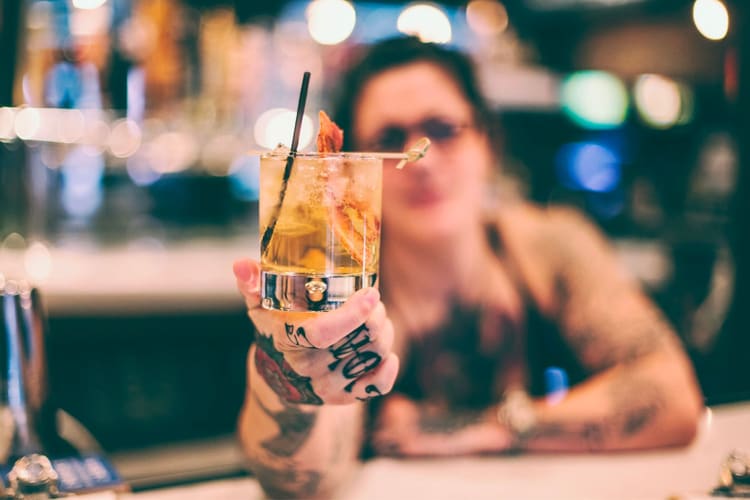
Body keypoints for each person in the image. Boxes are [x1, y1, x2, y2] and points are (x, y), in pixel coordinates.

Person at [233, 36, 704, 499]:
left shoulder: (548, 246)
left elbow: (675, 401)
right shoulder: (342, 285)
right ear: (355, 169)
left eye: (442, 129)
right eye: (390, 139)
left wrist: (490, 427)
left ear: (488, 142)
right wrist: (290, 385)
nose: (423, 160)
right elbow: (306, 486)